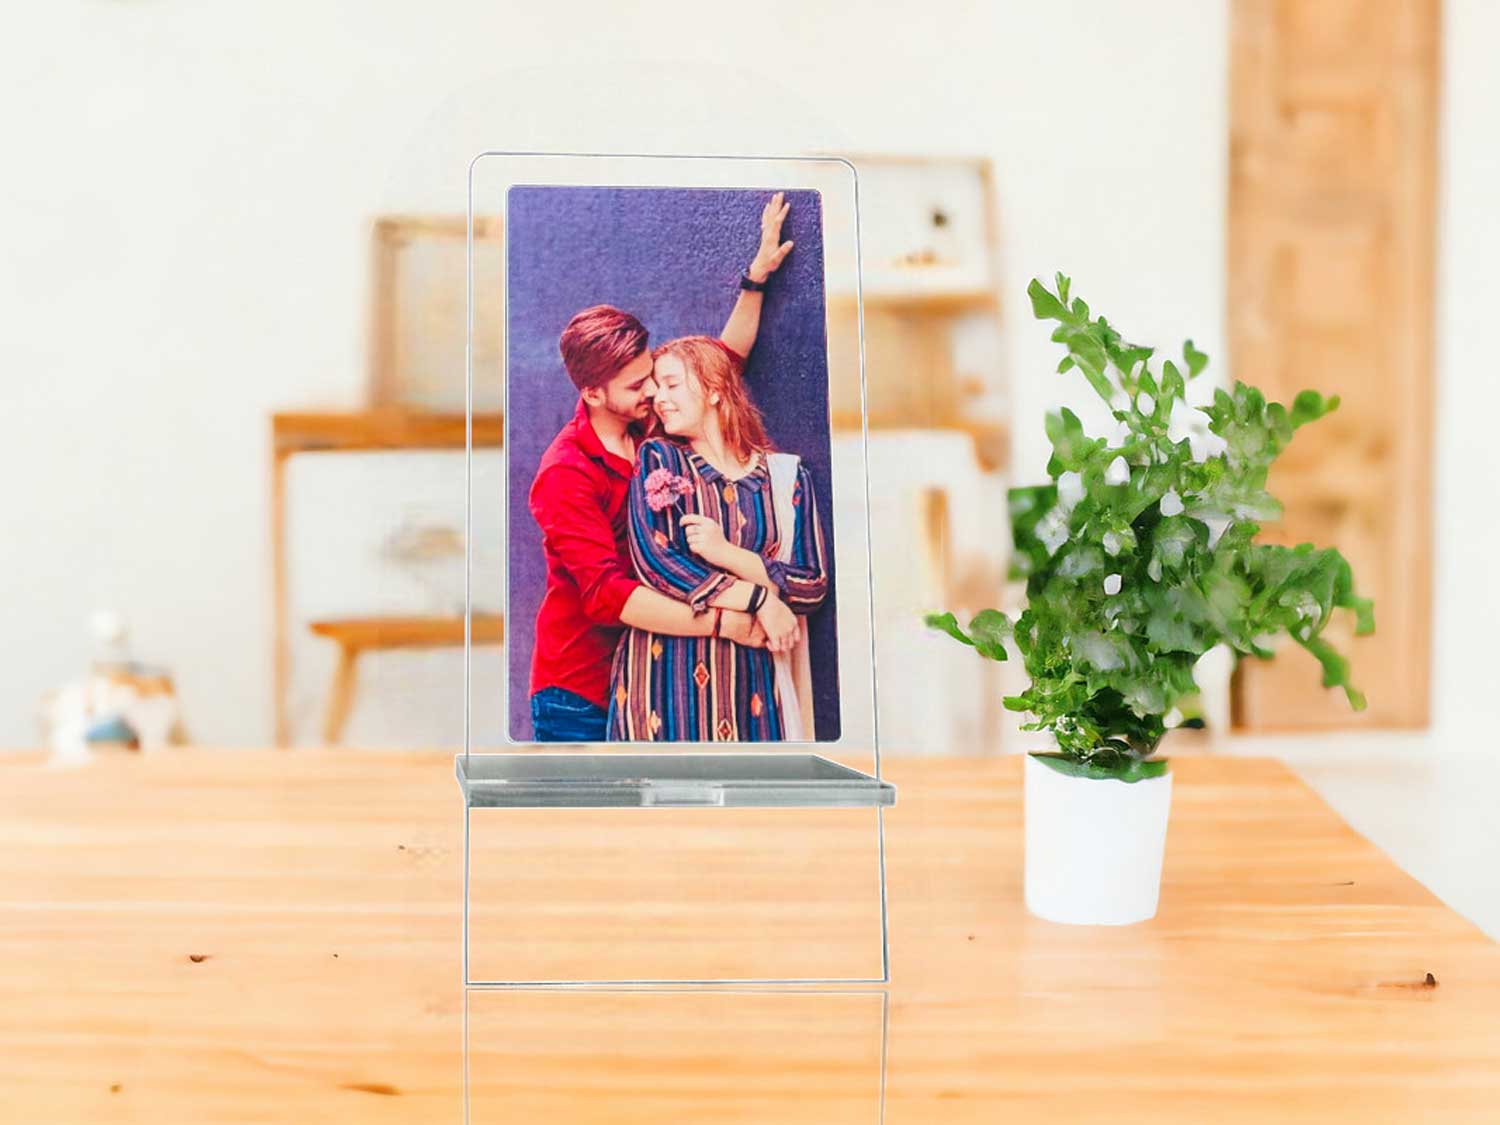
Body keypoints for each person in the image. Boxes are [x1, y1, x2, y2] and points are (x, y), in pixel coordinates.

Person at [527, 194, 794, 742]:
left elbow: (720, 366)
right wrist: (726, 619)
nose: (652, 391)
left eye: (652, 375)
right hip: (579, 692)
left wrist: (756, 278)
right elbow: (608, 595)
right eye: (636, 385)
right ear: (592, 393)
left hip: (648, 673)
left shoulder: (648, 422)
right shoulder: (565, 473)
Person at [608, 335, 828, 742]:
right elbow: (657, 564)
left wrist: (726, 553)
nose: (659, 398)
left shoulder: (786, 477)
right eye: (657, 387)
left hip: (754, 678)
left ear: (713, 390)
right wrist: (761, 599)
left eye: (672, 385)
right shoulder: (660, 458)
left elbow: (811, 586)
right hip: (665, 681)